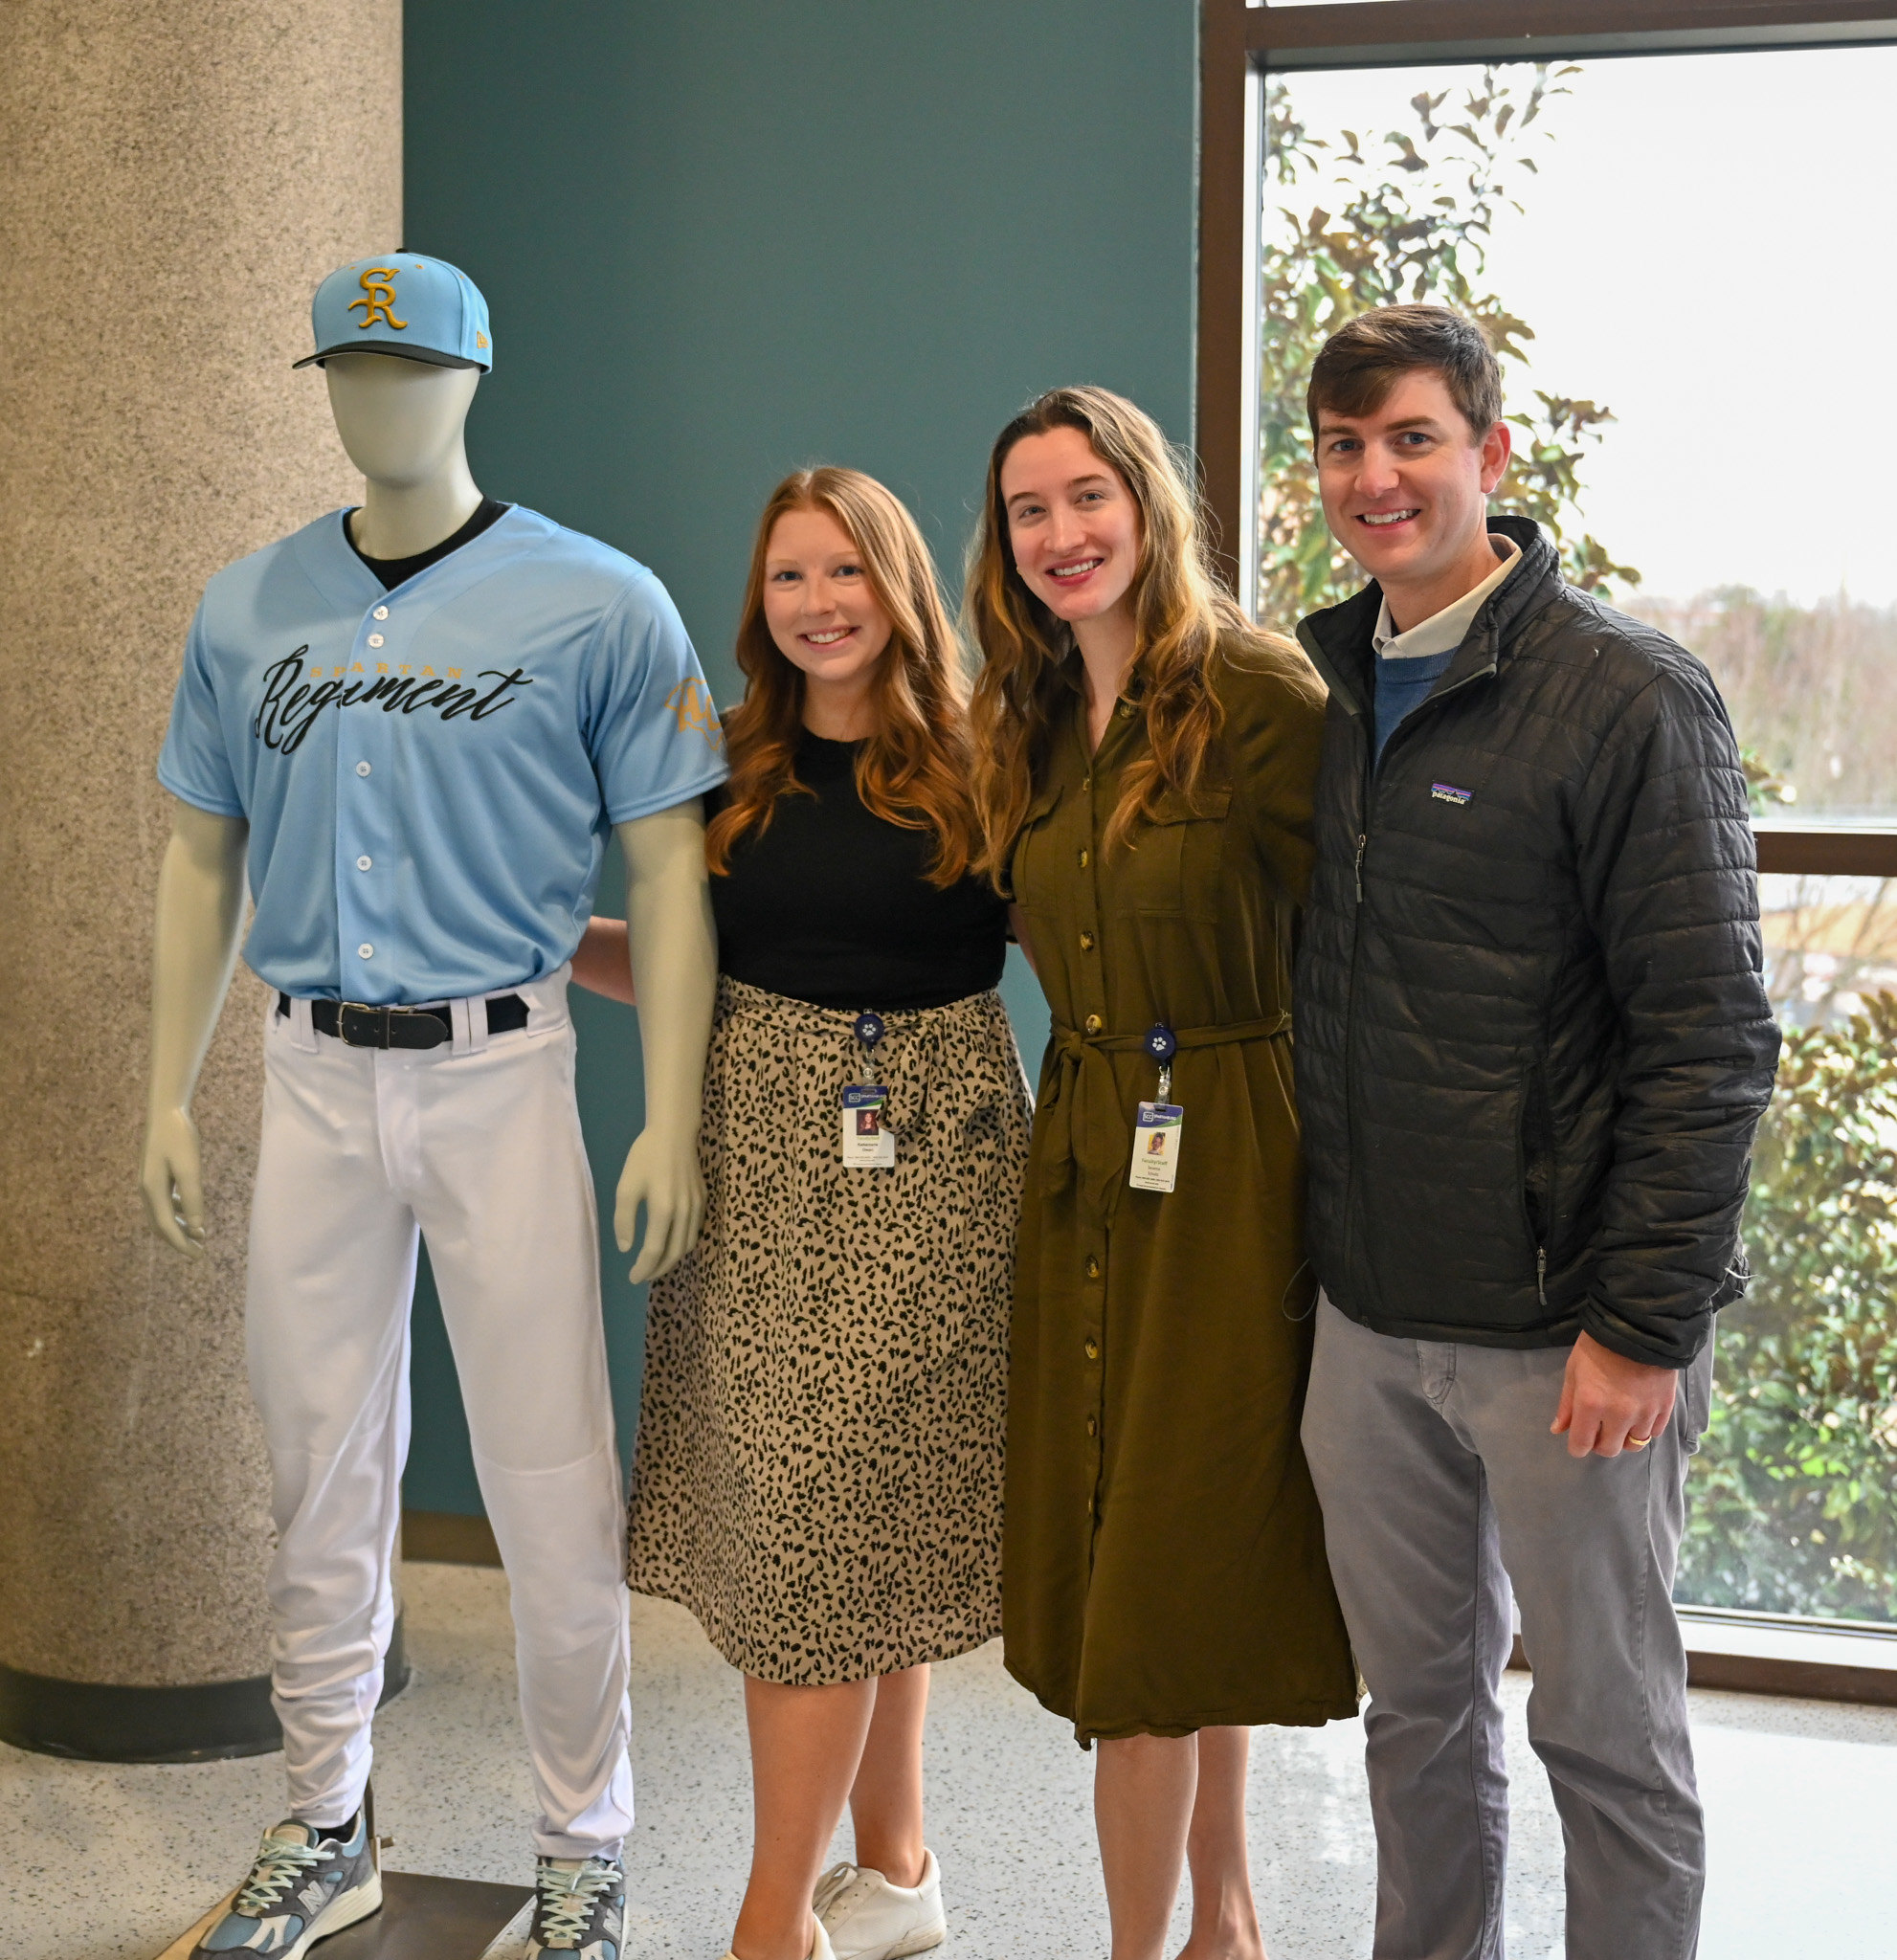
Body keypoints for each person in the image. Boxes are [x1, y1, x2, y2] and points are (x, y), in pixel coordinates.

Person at [143, 254, 725, 1960]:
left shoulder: (600, 601)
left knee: (552, 1478)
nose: (375, 399)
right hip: (310, 1071)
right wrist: (163, 1093)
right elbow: (200, 857)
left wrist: (668, 1115)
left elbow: (672, 866)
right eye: (348, 369)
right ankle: (327, 1824)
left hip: (499, 1068)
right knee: (315, 1468)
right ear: (321, 382)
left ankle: (582, 1851)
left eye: (410, 370)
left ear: (474, 378)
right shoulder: (246, 604)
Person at [1289, 303, 1780, 1959]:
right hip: (1368, 1323)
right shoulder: (1326, 683)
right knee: (1414, 1721)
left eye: (1413, 439)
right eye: (1346, 447)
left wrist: (1640, 1328)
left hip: (1568, 1337)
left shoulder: (1628, 698)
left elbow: (1710, 1038)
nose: (1378, 477)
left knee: (1604, 1736)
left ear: (1490, 457)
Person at [605, 467, 1033, 1960]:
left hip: (939, 1175)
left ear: (898, 586)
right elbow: (676, 953)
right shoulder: (723, 765)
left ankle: (770, 1924)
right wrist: (512, 944)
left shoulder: (996, 763)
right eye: (789, 578)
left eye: (845, 572)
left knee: (840, 1537)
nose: (818, 603)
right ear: (758, 603)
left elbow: (1095, 934)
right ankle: (897, 1873)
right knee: (838, 1538)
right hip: (762, 1168)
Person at [966, 387, 1357, 1960]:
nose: (1060, 535)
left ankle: (1162, 1941)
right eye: (1025, 511)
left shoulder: (1261, 691)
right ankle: (1222, 1924)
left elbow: (1359, 947)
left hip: (1234, 1167)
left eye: (1084, 497)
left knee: (1173, 1565)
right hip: (1083, 1155)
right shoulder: (1034, 708)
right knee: (1139, 1544)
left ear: (1147, 499)